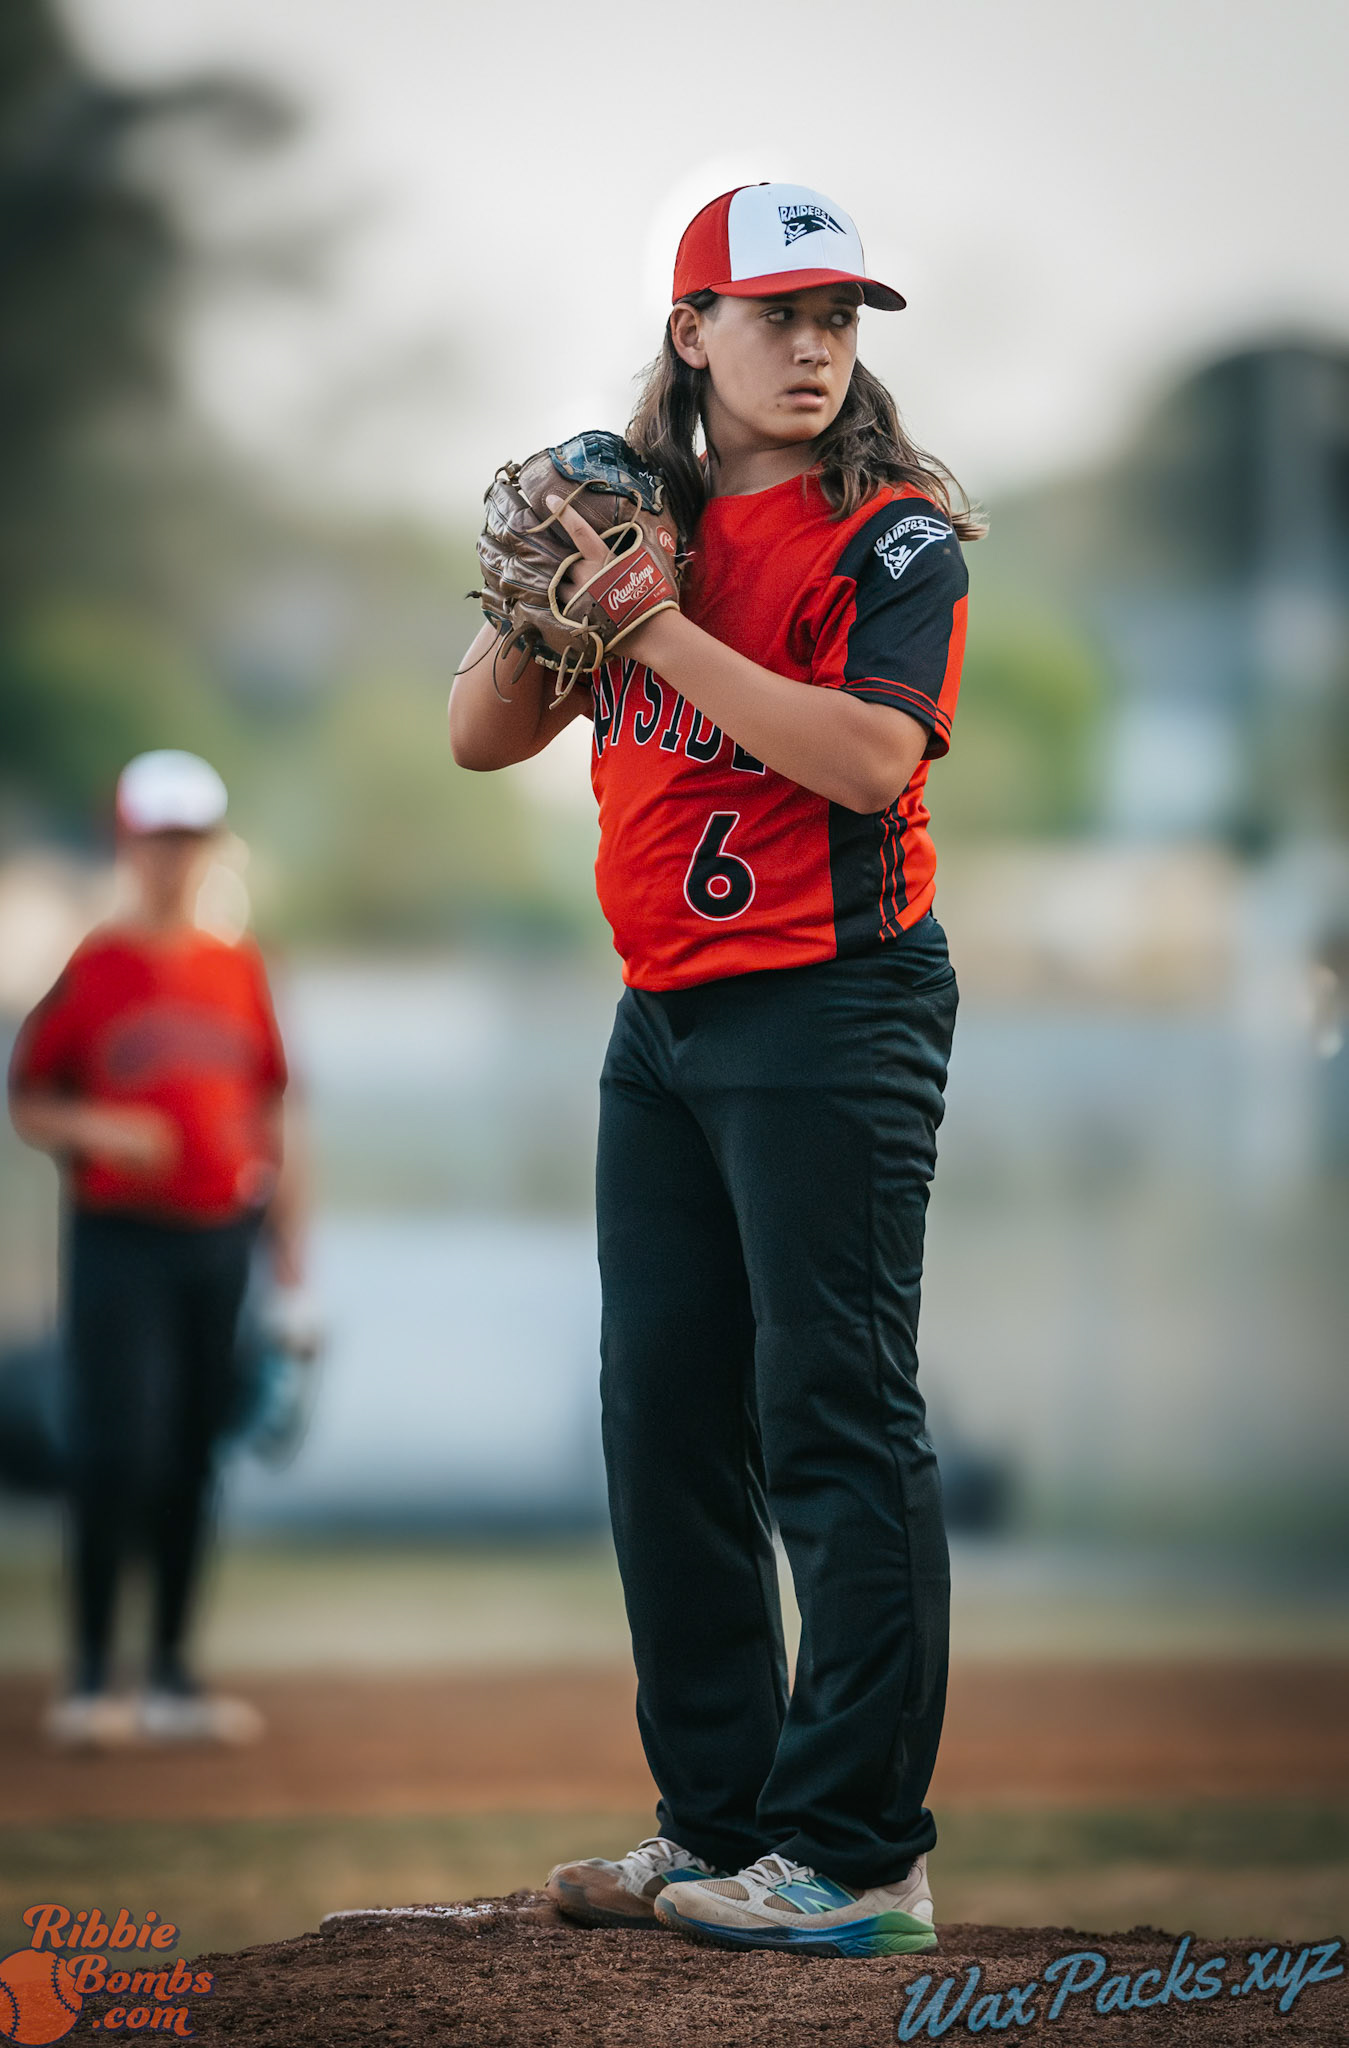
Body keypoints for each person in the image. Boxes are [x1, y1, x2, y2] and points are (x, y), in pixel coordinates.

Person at [450, 182, 982, 1957]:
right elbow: (476, 737)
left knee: (835, 1411)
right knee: (664, 1414)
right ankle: (722, 1821)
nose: (820, 345)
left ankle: (859, 1850)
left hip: (833, 1004)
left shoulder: (894, 538)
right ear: (695, 333)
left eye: (842, 316)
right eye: (781, 313)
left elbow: (859, 759)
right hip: (665, 1014)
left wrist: (655, 625)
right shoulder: (638, 510)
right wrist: (571, 595)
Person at [8, 750, 304, 1749]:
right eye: (156, 836)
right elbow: (31, 1100)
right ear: (128, 842)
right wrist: (105, 1129)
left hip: (221, 1237)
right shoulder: (96, 963)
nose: (172, 855)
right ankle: (94, 1675)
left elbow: (272, 1109)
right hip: (120, 1237)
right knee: (115, 1447)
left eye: (189, 837)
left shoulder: (238, 963)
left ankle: (173, 1674)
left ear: (208, 847)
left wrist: (295, 1264)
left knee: (192, 1449)